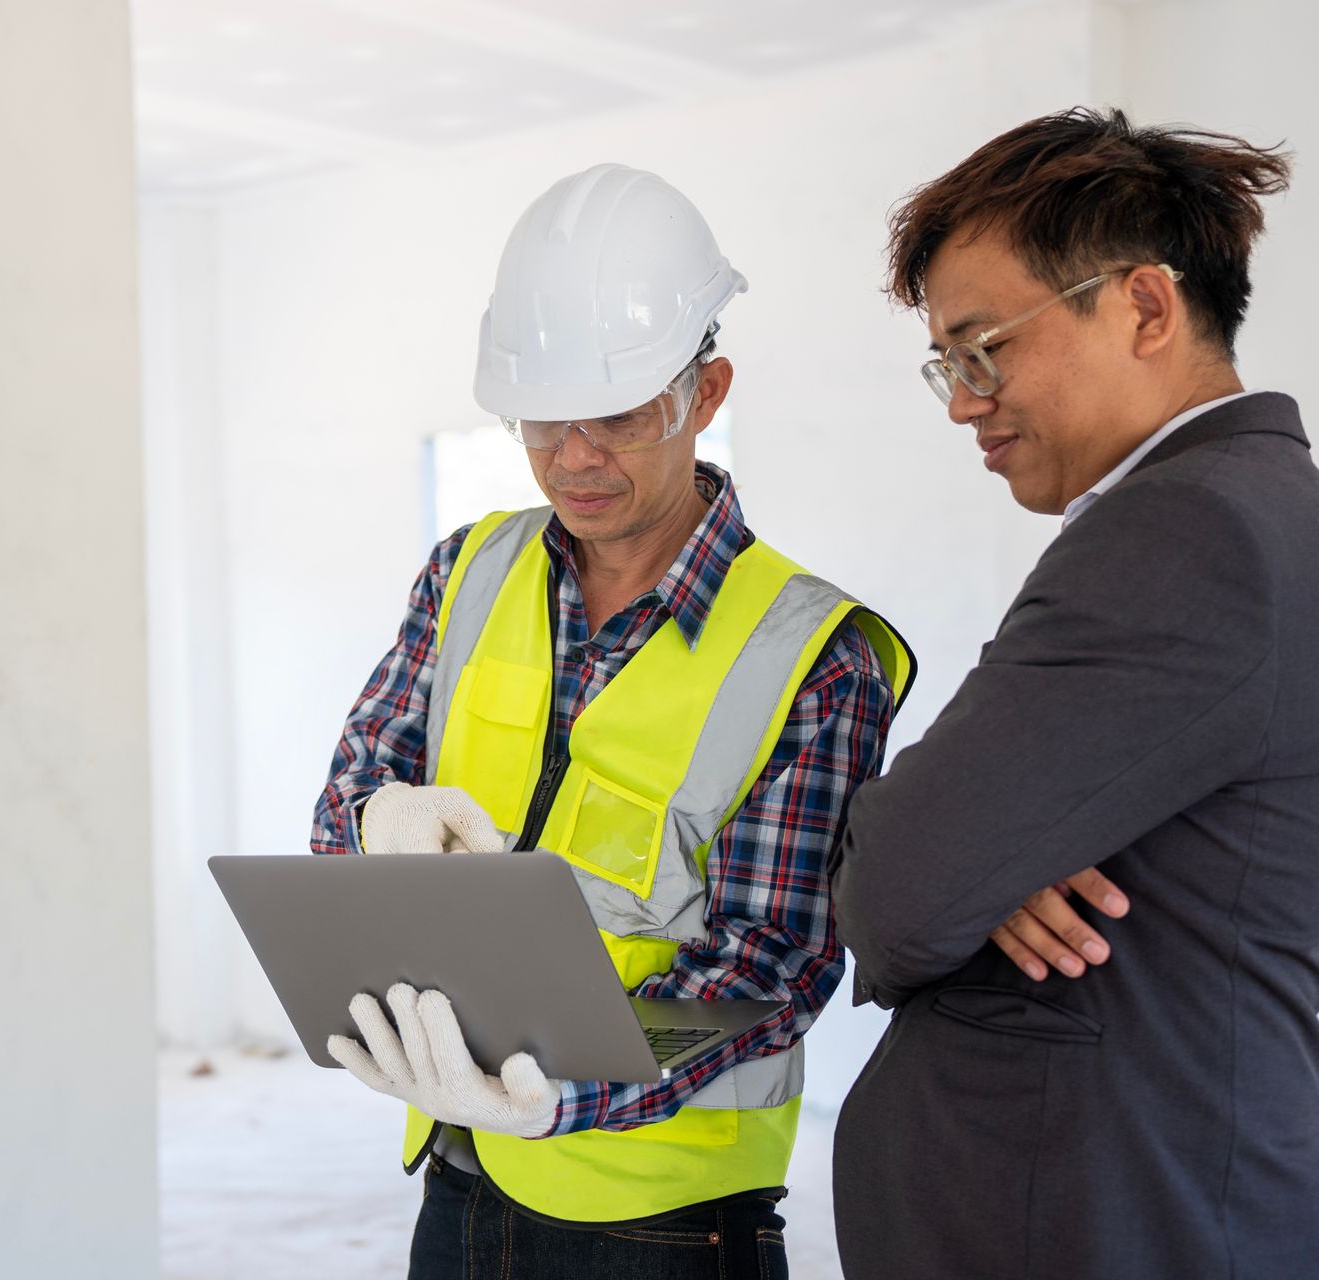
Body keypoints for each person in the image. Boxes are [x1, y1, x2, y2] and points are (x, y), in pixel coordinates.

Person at [310, 162, 915, 1278]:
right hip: (461, 1179)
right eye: (544, 416)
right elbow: (349, 798)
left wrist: (561, 1091)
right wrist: (374, 820)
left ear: (709, 391)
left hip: (669, 1225)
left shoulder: (812, 653)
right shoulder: (466, 572)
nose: (575, 457)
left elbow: (766, 968)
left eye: (620, 413)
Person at [829, 107, 1319, 1279]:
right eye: (946, 363)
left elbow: (897, 890)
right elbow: (943, 864)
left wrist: (958, 862)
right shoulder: (1244, 509)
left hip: (1141, 1224)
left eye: (986, 348)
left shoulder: (1190, 528)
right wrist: (981, 860)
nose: (963, 400)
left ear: (1143, 306)